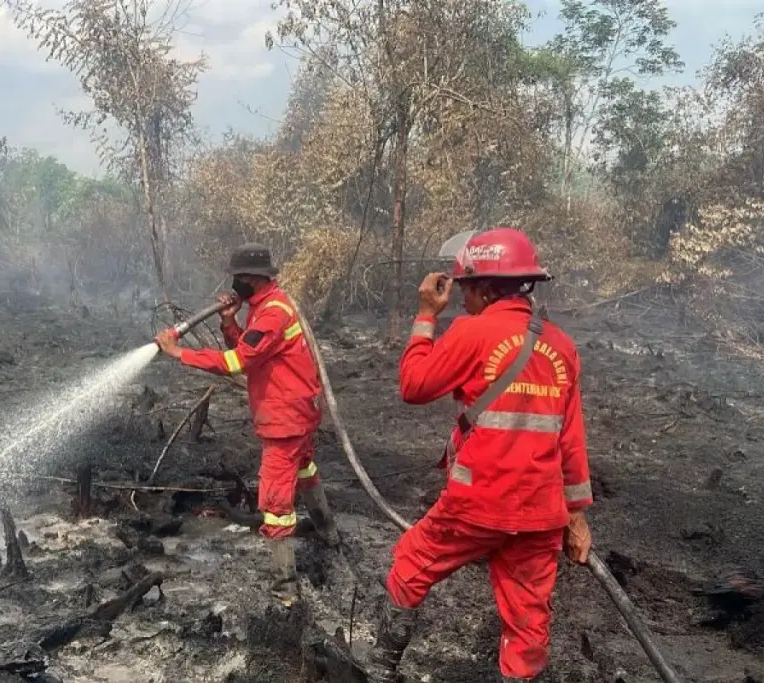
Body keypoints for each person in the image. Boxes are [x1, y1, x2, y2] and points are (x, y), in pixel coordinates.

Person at [366, 227, 594, 682]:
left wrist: (427, 316)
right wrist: (577, 515)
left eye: (467, 288)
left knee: (410, 565)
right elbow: (570, 440)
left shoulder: (471, 332)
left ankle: (378, 668)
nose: (464, 298)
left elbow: (413, 387)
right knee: (528, 624)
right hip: (541, 514)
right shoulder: (562, 347)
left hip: (477, 505)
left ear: (486, 287)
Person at [154, 243, 340, 605]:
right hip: (295, 410)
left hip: (285, 417)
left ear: (255, 278)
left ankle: (286, 592)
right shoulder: (264, 306)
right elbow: (252, 353)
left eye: (239, 278)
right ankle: (328, 532)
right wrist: (228, 321)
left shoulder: (272, 313)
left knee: (274, 503)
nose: (234, 284)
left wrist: (180, 353)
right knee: (305, 470)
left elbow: (238, 362)